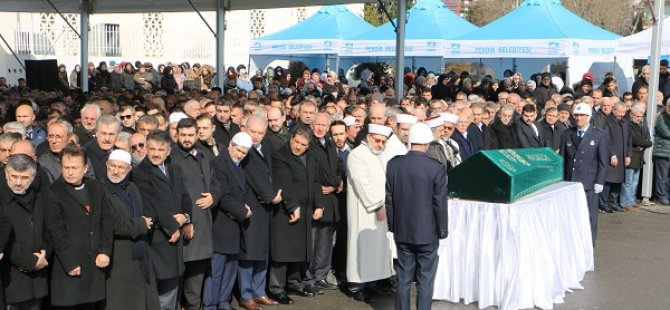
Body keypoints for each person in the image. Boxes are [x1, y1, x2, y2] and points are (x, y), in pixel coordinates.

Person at [386, 122, 448, 310]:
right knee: (426, 280)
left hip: (402, 231)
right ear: (427, 143)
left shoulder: (394, 164)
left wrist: (393, 225)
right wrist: (442, 229)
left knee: (403, 278)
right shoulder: (435, 167)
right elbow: (440, 202)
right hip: (428, 232)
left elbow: (389, 198)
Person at [43, 144, 113, 308]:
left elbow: (106, 221)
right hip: (69, 265)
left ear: (85, 168)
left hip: (95, 263)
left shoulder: (95, 187)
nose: (70, 172)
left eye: (74, 167)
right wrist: (70, 262)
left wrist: (104, 250)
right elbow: (56, 231)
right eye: (66, 167)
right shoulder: (54, 192)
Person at [132, 130, 193, 310]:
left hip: (176, 236)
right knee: (159, 288)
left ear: (168, 151)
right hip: (158, 238)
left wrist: (185, 217)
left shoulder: (173, 168)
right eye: (152, 149)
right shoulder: (140, 172)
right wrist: (172, 227)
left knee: (173, 283)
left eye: (160, 149)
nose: (156, 153)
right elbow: (152, 204)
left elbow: (184, 196)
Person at [269, 127, 323, 303]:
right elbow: (284, 182)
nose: (298, 147)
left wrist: (319, 205)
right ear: (291, 138)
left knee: (299, 250)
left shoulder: (311, 156)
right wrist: (293, 206)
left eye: (303, 144)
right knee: (282, 251)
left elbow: (315, 182)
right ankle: (276, 288)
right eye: (296, 142)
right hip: (287, 211)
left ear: (308, 146)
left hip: (306, 210)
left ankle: (294, 282)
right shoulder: (280, 156)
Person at [101, 150, 160, 310]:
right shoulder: (100, 189)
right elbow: (111, 223)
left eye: (121, 168)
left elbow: (146, 210)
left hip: (139, 255)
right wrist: (141, 224)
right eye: (112, 166)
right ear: (106, 164)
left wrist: (148, 219)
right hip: (118, 258)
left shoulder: (132, 187)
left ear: (129, 170)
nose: (115, 171)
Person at [171, 119, 220, 310]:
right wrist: (185, 221)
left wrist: (213, 197)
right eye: (183, 135)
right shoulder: (173, 158)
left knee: (196, 279)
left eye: (190, 135)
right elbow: (175, 193)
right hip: (185, 225)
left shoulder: (204, 153)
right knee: (178, 277)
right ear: (176, 134)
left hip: (204, 225)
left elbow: (215, 181)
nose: (186, 139)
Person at [345, 124, 395, 302]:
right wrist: (376, 205)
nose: (380, 144)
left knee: (376, 247)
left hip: (381, 206)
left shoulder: (380, 154)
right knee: (362, 247)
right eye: (377, 140)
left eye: (383, 141)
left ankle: (372, 282)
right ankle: (356, 285)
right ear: (369, 137)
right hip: (364, 208)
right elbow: (362, 182)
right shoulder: (357, 154)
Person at [207, 132, 254, 310]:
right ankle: (211, 305)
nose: (240, 154)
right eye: (238, 150)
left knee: (230, 268)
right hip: (222, 222)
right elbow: (223, 196)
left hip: (234, 224)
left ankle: (223, 302)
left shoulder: (238, 165)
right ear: (230, 145)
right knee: (217, 269)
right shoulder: (219, 163)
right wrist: (243, 211)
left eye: (244, 152)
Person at [239, 117, 282, 307]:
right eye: (252, 131)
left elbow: (272, 173)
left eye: (260, 133)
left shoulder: (266, 147)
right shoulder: (243, 150)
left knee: (262, 251)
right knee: (248, 253)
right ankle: (246, 295)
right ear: (245, 129)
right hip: (251, 206)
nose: (255, 136)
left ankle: (259, 290)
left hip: (266, 208)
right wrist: (272, 196)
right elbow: (254, 177)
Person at [0, 155, 48, 310]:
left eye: (24, 177)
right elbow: (3, 240)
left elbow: (50, 230)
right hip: (11, 280)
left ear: (33, 177)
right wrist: (30, 261)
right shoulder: (2, 200)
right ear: (6, 174)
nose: (18, 182)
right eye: (14, 176)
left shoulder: (40, 197)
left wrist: (44, 255)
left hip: (38, 279)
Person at [560, 103, 609, 246]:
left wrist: (600, 181)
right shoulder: (567, 133)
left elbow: (603, 161)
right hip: (571, 181)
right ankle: (573, 244)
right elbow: (563, 158)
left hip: (589, 182)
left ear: (588, 117)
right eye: (576, 115)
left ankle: (589, 245)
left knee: (590, 215)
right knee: (572, 215)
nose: (578, 118)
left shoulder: (599, 135)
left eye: (581, 115)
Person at [305, 113, 343, 293]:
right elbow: (318, 173)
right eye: (317, 124)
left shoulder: (329, 143)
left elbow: (338, 168)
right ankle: (309, 277)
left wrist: (338, 183)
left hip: (330, 200)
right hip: (316, 199)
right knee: (313, 241)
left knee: (326, 241)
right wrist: (336, 182)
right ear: (311, 126)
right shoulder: (309, 145)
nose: (320, 128)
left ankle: (321, 275)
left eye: (323, 125)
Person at [600, 102, 632, 213]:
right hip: (612, 156)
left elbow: (629, 140)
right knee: (608, 180)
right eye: (620, 112)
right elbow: (606, 139)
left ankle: (612, 202)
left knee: (618, 181)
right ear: (613, 110)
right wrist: (612, 154)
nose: (622, 114)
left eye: (624, 112)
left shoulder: (624, 122)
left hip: (622, 156)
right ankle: (603, 203)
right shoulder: (607, 121)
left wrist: (628, 155)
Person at [621, 105, 652, 212]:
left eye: (641, 116)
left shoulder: (643, 125)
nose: (639, 118)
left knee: (634, 182)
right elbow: (634, 139)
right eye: (637, 116)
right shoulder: (628, 124)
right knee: (628, 182)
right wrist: (643, 142)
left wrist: (644, 143)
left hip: (639, 157)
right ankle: (625, 202)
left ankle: (632, 200)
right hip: (631, 156)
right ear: (632, 115)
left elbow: (649, 140)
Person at [653, 100, 670, 205]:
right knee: (662, 176)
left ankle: (667, 194)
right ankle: (661, 195)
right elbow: (666, 132)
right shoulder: (661, 117)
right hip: (662, 151)